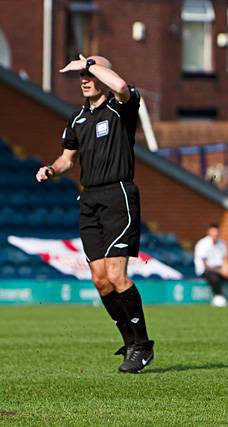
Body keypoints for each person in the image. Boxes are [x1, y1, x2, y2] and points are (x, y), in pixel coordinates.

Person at [35, 54, 154, 373]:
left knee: (117, 276)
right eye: (82, 76)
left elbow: (119, 84)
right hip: (89, 200)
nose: (85, 79)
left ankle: (142, 345)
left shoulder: (121, 107)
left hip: (118, 195)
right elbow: (66, 159)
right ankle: (130, 342)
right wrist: (50, 169)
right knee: (101, 282)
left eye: (90, 73)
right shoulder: (76, 119)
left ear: (103, 74)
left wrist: (89, 63)